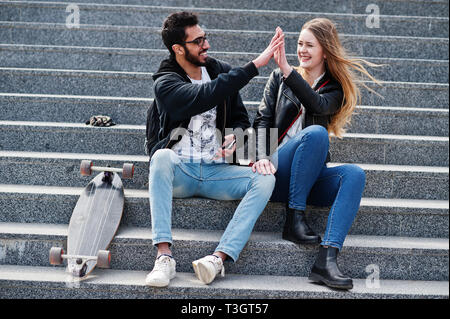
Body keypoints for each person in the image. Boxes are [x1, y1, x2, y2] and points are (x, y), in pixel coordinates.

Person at [145, 11, 283, 287]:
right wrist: (255, 65)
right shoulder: (165, 82)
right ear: (178, 49)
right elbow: (202, 96)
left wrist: (238, 138)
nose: (206, 45)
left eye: (205, 38)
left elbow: (242, 120)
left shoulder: (219, 71)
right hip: (180, 173)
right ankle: (164, 257)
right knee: (160, 157)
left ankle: (217, 259)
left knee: (266, 179)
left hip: (216, 171)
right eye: (198, 41)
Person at [252, 19, 380, 290]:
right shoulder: (279, 78)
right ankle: (294, 218)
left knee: (354, 174)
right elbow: (262, 119)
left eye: (310, 45)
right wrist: (261, 155)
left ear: (325, 50)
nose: (302, 50)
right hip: (276, 171)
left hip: (307, 177)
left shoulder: (333, 88)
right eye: (299, 44)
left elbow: (317, 104)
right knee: (317, 134)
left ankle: (326, 259)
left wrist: (288, 71)